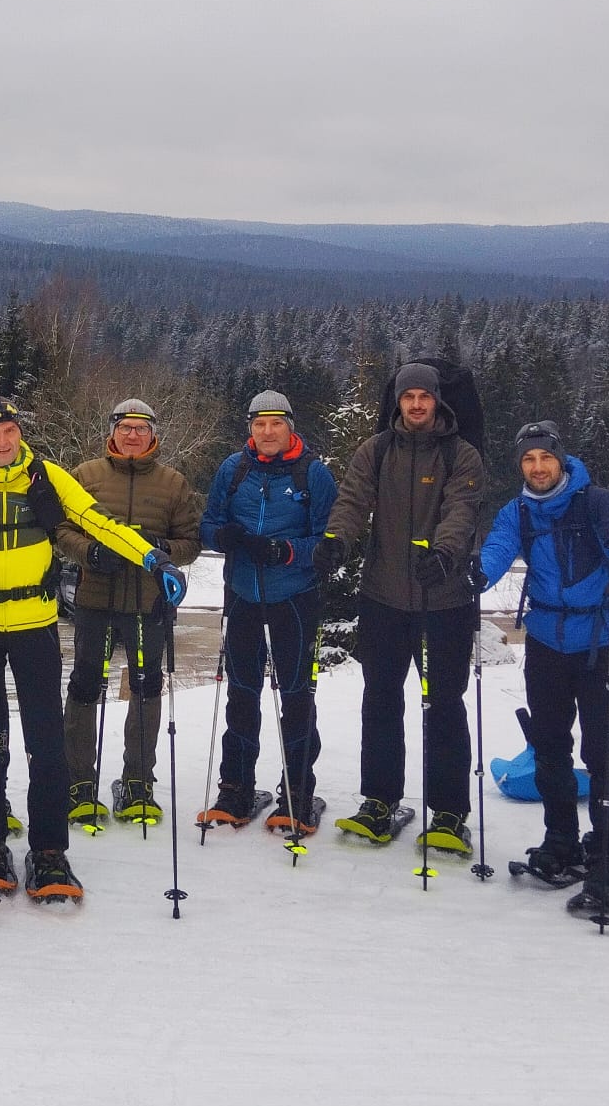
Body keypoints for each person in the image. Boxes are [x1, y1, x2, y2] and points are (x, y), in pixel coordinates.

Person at [0, 395, 188, 903]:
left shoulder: (47, 477)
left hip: (35, 623)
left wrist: (153, 557)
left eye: (9, 431)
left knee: (45, 742)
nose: (3, 441)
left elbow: (99, 523)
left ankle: (49, 850)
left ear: (19, 432)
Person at [476, 421, 609, 916]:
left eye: (544, 459)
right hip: (547, 642)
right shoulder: (517, 512)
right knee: (549, 747)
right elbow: (496, 551)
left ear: (560, 460)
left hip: (597, 642)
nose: (537, 467)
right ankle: (562, 842)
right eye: (528, 461)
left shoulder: (595, 500)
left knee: (601, 751)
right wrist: (471, 575)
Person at [315, 362, 485, 854]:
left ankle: (449, 811)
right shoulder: (377, 450)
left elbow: (462, 510)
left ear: (437, 402)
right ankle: (379, 801)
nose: (415, 405)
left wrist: (446, 552)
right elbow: (352, 500)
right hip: (384, 597)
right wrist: (336, 541)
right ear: (397, 402)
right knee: (381, 700)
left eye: (424, 397)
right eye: (407, 397)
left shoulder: (461, 454)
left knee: (445, 705)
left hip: (444, 599)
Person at [55, 397, 203, 826]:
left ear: (154, 434)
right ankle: (79, 781)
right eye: (125, 427)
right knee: (85, 685)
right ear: (113, 432)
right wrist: (90, 552)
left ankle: (138, 781)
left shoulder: (173, 482)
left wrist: (162, 551)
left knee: (146, 685)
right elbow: (62, 529)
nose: (133, 434)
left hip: (147, 602)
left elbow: (192, 542)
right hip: (94, 599)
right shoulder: (86, 475)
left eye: (141, 428)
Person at [198, 390, 338, 832]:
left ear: (290, 426)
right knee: (241, 692)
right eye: (259, 424)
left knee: (296, 696)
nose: (267, 431)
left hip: (293, 597)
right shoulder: (233, 468)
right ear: (250, 429)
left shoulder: (312, 474)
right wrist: (226, 538)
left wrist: (285, 550)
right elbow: (208, 523)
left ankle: (297, 792)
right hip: (242, 593)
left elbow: (329, 540)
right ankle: (234, 790)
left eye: (276, 423)